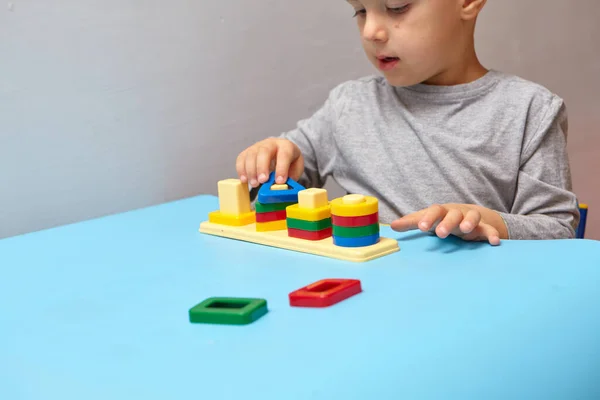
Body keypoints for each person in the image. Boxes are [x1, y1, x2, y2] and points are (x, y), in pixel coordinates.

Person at [234, 0, 580, 245]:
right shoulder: (349, 105)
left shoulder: (529, 110)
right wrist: (273, 157)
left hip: (476, 304)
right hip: (372, 302)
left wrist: (490, 222)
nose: (371, 31)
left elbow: (556, 230)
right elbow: (286, 178)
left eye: (397, 7)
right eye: (360, 10)